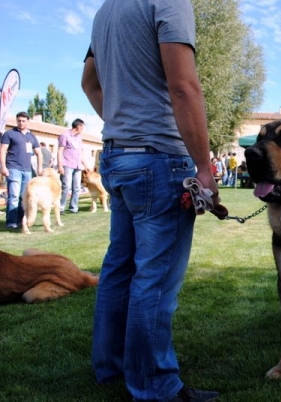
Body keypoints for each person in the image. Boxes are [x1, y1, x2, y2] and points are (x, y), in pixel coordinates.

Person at [81, 1, 220, 401]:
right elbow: (183, 86)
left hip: (118, 156)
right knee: (154, 279)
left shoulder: (107, 10)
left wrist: (122, 121)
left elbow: (89, 81)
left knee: (119, 269)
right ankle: (154, 384)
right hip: (160, 159)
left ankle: (111, 368)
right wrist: (204, 168)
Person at [0, 111, 43, 229]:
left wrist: (39, 168)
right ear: (16, 121)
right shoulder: (9, 134)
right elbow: (2, 150)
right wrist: (3, 167)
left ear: (28, 122)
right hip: (13, 168)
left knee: (23, 197)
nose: (21, 123)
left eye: (23, 121)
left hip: (27, 170)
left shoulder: (31, 136)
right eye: (19, 120)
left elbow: (39, 153)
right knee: (13, 196)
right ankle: (11, 222)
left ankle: (20, 221)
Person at [58, 119, 89, 214]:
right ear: (78, 127)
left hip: (78, 166)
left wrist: (85, 165)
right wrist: (60, 166)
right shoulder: (65, 135)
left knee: (77, 188)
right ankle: (60, 207)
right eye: (82, 127)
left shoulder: (79, 137)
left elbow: (80, 153)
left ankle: (73, 207)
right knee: (66, 187)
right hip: (67, 164)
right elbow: (60, 151)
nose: (83, 129)